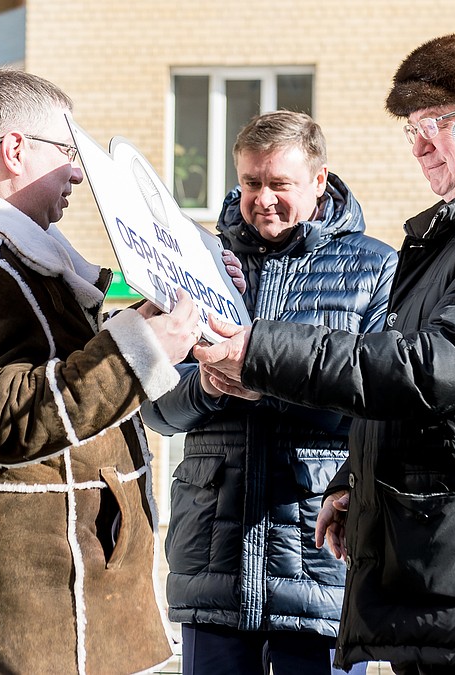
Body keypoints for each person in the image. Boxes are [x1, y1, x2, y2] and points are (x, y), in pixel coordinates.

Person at [194, 33, 455, 675]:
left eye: (433, 125)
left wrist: (258, 348)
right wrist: (357, 485)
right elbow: (408, 384)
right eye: (411, 130)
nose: (420, 146)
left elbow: (436, 368)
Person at [0, 68, 206, 675]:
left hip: (59, 601)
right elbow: (4, 422)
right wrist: (139, 347)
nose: (78, 171)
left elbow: (63, 368)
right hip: (25, 611)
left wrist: (156, 312)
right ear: (15, 150)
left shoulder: (18, 258)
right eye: (66, 150)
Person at [141, 110, 396, 675]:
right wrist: (207, 388)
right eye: (250, 183)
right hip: (213, 566)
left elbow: (380, 411)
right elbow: (155, 410)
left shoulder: (374, 270)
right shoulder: (197, 265)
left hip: (318, 571)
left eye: (280, 184)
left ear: (320, 179)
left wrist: (267, 385)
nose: (263, 200)